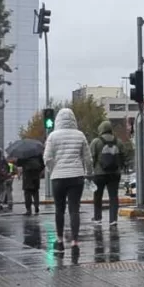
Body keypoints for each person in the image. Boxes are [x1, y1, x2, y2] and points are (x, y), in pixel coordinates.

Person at [43, 108, 93, 254]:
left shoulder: (52, 136)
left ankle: (59, 241)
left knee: (59, 210)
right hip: (76, 176)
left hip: (58, 178)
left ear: (58, 120)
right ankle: (75, 242)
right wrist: (88, 173)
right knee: (74, 209)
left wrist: (53, 170)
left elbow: (47, 158)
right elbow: (88, 158)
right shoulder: (80, 135)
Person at [90, 120, 123, 225]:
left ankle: (97, 217)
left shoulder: (96, 141)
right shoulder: (118, 141)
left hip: (99, 173)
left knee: (97, 195)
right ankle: (113, 219)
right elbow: (124, 156)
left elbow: (92, 157)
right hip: (115, 173)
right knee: (113, 196)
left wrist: (93, 169)